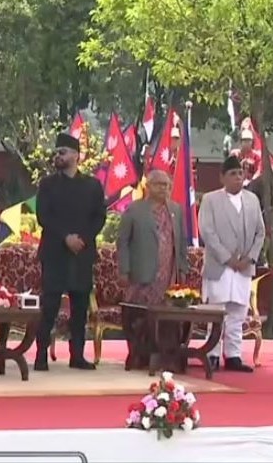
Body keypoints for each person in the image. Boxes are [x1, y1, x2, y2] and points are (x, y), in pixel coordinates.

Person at [34, 132, 106, 371]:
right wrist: (66, 237)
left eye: (63, 152)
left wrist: (82, 239)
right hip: (55, 252)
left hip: (81, 254)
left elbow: (99, 217)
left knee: (80, 307)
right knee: (50, 306)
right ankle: (41, 355)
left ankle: (77, 355)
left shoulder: (92, 185)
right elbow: (44, 216)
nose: (58, 156)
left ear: (76, 156)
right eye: (57, 152)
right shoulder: (47, 184)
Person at [198, 157, 264, 373]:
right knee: (215, 312)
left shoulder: (252, 200)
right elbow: (207, 231)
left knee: (238, 312)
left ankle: (233, 355)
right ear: (222, 178)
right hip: (220, 266)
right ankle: (212, 354)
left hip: (244, 267)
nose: (238, 177)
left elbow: (260, 232)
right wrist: (228, 258)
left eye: (240, 173)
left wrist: (249, 258)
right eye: (232, 174)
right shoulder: (210, 200)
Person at [116, 170, 186, 369]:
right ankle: (140, 355)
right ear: (148, 186)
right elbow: (123, 241)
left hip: (168, 276)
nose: (163, 189)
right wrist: (124, 270)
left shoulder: (175, 210)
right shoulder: (134, 210)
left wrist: (182, 269)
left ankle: (166, 356)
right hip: (141, 275)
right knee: (140, 318)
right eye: (159, 184)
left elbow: (181, 243)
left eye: (166, 185)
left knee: (168, 317)